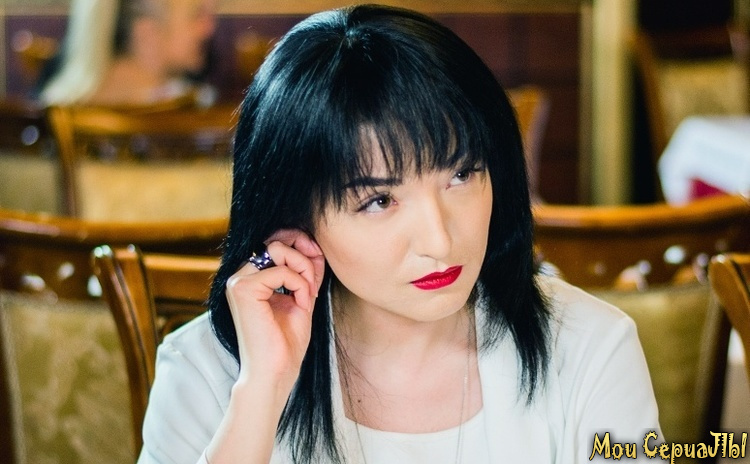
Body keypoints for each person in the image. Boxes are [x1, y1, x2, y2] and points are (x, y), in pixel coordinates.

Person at [139, 5, 661, 463]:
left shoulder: (589, 348)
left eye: (461, 174)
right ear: (293, 217)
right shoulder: (208, 370)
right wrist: (261, 393)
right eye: (379, 201)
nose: (439, 241)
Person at [36, 0, 217, 107]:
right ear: (147, 32)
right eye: (196, 15)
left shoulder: (56, 106)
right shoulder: (187, 109)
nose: (209, 28)